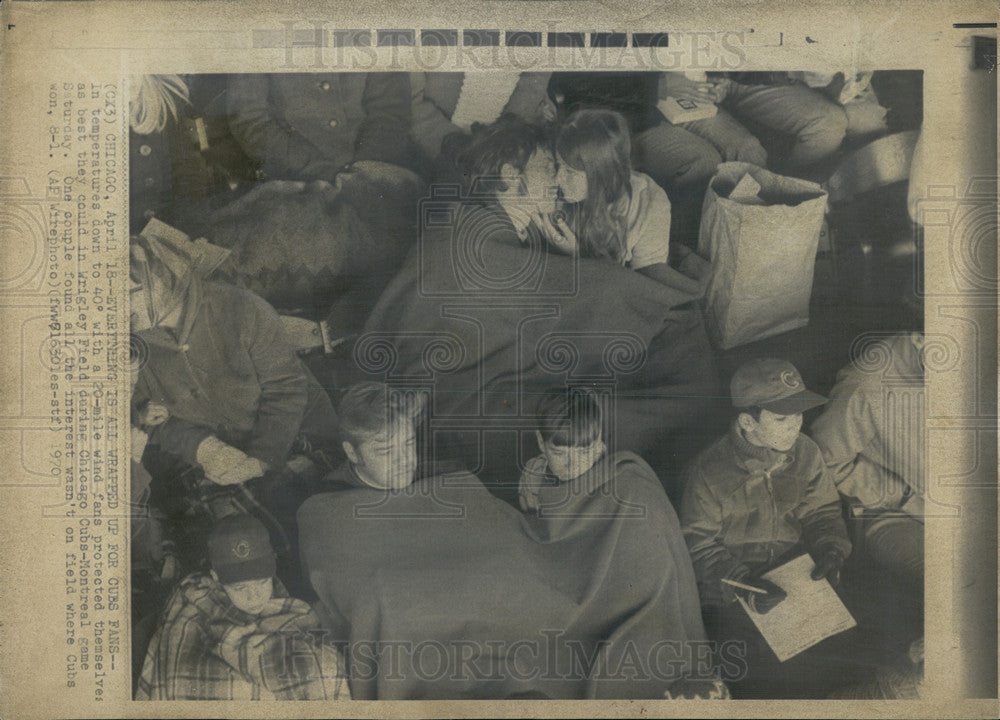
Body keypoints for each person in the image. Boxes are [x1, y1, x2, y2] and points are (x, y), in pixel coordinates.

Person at [680, 358, 856, 697]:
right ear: (748, 421)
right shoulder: (708, 472)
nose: (794, 426)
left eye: (798, 414)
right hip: (733, 586)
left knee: (842, 653)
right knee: (768, 677)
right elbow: (698, 545)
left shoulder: (806, 452)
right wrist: (745, 585)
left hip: (796, 570)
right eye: (780, 418)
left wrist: (830, 549)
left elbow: (822, 511)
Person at [135, 514, 350, 700]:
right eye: (240, 588)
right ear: (216, 578)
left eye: (263, 582)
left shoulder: (295, 608)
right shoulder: (195, 604)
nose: (254, 596)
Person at [810, 332, 925, 589]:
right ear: (919, 339)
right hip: (896, 512)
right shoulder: (867, 383)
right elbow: (827, 461)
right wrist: (904, 495)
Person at [543, 109, 673, 274]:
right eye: (557, 165)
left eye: (569, 172)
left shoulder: (650, 205)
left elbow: (646, 290)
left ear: (601, 174)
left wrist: (577, 257)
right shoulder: (555, 187)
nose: (557, 179)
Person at [227, 72, 418, 183]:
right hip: (296, 183)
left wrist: (363, 174)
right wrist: (317, 170)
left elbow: (390, 112)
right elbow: (250, 120)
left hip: (377, 176)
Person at [518, 388, 608, 513]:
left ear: (597, 445)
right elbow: (525, 507)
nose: (573, 465)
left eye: (584, 452)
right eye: (559, 453)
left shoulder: (605, 465)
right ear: (541, 441)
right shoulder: (534, 474)